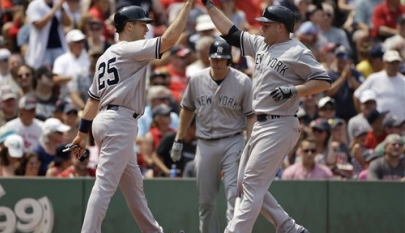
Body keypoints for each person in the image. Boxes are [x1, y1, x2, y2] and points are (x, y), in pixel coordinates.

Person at [201, 2, 331, 232]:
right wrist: (209, 5)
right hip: (261, 124)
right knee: (245, 183)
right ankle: (288, 227)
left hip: (280, 123)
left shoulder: (297, 51)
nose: (261, 28)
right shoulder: (261, 44)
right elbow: (231, 33)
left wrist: (294, 90)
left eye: (266, 25)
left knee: (251, 183)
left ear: (280, 27)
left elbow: (323, 81)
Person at [68, 3, 194, 233]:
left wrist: (81, 133)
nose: (146, 29)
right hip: (119, 121)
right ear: (128, 26)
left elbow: (92, 101)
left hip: (106, 119)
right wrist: (186, 6)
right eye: (142, 24)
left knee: (134, 186)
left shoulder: (105, 56)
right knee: (105, 184)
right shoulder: (129, 50)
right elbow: (167, 41)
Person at [171, 39, 256, 233]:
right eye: (214, 58)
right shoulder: (197, 79)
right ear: (209, 58)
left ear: (229, 61)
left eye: (222, 59)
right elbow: (186, 110)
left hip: (233, 140)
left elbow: (251, 115)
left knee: (235, 196)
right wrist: (178, 138)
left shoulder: (242, 81)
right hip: (205, 143)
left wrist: (250, 145)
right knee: (206, 202)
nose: (218, 63)